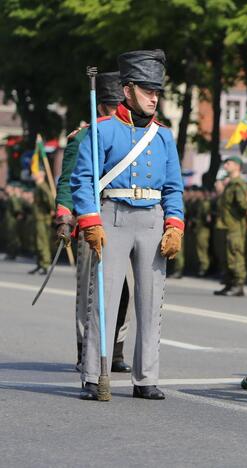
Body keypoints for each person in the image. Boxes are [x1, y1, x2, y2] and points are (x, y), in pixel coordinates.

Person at [72, 49, 184, 400]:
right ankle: (93, 375)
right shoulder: (103, 129)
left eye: (157, 92)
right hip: (113, 217)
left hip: (151, 221)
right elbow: (83, 179)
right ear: (127, 90)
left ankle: (146, 377)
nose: (154, 98)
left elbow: (174, 187)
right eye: (148, 90)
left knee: (151, 304)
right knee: (102, 303)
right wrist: (90, 221)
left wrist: (174, 225)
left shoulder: (163, 136)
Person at [55, 71, 132, 373]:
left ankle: (116, 351)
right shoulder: (85, 136)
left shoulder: (136, 136)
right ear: (101, 107)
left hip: (127, 217)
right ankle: (84, 349)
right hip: (92, 218)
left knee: (126, 289)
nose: (119, 111)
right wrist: (64, 216)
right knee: (91, 290)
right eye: (114, 106)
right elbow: (69, 179)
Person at [213, 156, 247, 296]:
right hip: (225, 225)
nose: (226, 165)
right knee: (226, 256)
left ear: (237, 166)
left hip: (234, 226)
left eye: (229, 163)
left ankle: (238, 285)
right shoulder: (230, 184)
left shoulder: (238, 184)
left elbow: (242, 206)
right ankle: (229, 283)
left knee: (235, 254)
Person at [29, 170, 54, 275]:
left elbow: (49, 199)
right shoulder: (38, 186)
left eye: (35, 173)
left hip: (42, 218)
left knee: (42, 242)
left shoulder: (42, 186)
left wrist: (52, 210)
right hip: (38, 218)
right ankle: (40, 263)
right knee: (37, 242)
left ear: (41, 175)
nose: (33, 174)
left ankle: (45, 264)